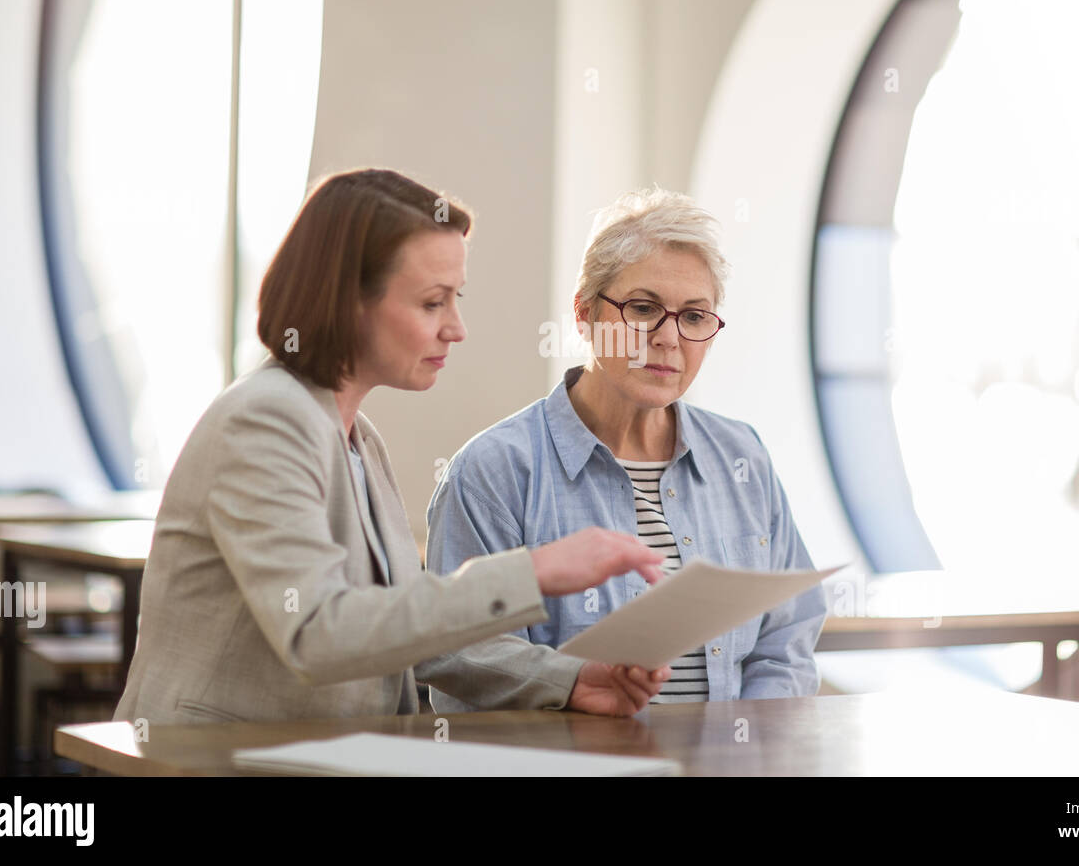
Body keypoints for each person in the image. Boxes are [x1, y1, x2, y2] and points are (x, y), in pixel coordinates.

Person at [114, 168, 670, 727]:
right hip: (206, 763)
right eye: (433, 303)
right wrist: (533, 572)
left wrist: (569, 679)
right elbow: (317, 631)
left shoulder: (358, 438)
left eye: (456, 299)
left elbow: (420, 637)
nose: (456, 328)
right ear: (347, 301)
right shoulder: (265, 420)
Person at [426, 187, 828, 712]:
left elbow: (788, 636)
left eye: (694, 316)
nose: (668, 338)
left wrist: (746, 744)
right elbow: (457, 652)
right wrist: (572, 683)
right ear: (585, 313)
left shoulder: (741, 454)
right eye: (643, 308)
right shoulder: (495, 470)